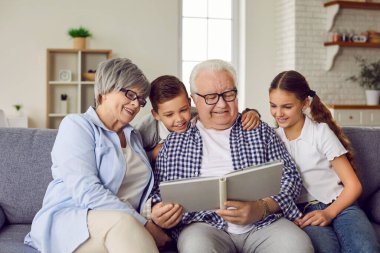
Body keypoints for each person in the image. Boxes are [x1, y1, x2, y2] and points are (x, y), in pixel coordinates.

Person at [150, 59, 314, 253]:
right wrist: (157, 213)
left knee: (298, 247)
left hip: (264, 223)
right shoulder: (175, 142)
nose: (221, 104)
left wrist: (262, 208)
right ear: (194, 100)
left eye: (229, 94)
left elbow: (290, 177)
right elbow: (158, 192)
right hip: (203, 227)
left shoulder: (258, 130)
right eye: (211, 96)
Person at [24, 58, 172, 253]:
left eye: (141, 99)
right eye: (130, 94)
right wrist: (144, 225)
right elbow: (87, 191)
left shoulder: (134, 136)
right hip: (76, 220)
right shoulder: (77, 126)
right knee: (124, 224)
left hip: (120, 229)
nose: (136, 104)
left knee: (124, 230)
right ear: (105, 90)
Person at [269, 70, 380, 253]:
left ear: (304, 103)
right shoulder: (272, 138)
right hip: (304, 213)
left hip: (342, 206)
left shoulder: (320, 133)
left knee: (365, 248)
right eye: (273, 105)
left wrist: (329, 212)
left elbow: (353, 185)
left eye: (287, 106)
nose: (278, 113)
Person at [133, 75, 261, 163]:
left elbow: (227, 115)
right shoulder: (147, 127)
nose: (179, 119)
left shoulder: (197, 115)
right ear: (156, 114)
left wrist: (251, 113)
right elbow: (133, 159)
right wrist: (153, 155)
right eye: (169, 115)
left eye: (183, 110)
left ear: (189, 103)